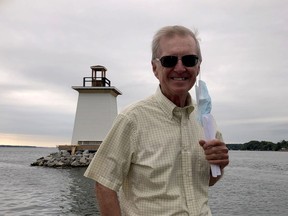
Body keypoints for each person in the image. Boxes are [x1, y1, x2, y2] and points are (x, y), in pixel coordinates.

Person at [84, 25, 229, 216]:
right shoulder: (132, 119)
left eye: (189, 59)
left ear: (198, 67)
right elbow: (104, 184)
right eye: (169, 60)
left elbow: (207, 181)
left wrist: (219, 165)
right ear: (155, 68)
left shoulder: (206, 121)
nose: (180, 68)